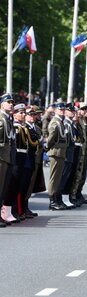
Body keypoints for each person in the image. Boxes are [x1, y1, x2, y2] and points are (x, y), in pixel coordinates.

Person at [47, 102, 68, 210]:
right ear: (55, 110)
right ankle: (52, 200)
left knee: (58, 178)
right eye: (60, 109)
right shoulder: (55, 122)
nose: (62, 111)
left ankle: (55, 199)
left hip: (60, 153)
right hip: (56, 152)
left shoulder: (60, 121)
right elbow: (50, 139)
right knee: (54, 178)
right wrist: (49, 148)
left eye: (63, 109)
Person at [0, 93, 16, 227]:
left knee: (3, 188)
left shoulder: (8, 119)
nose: (11, 104)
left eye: (12, 102)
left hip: (7, 157)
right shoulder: (1, 118)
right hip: (1, 157)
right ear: (2, 104)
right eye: (8, 102)